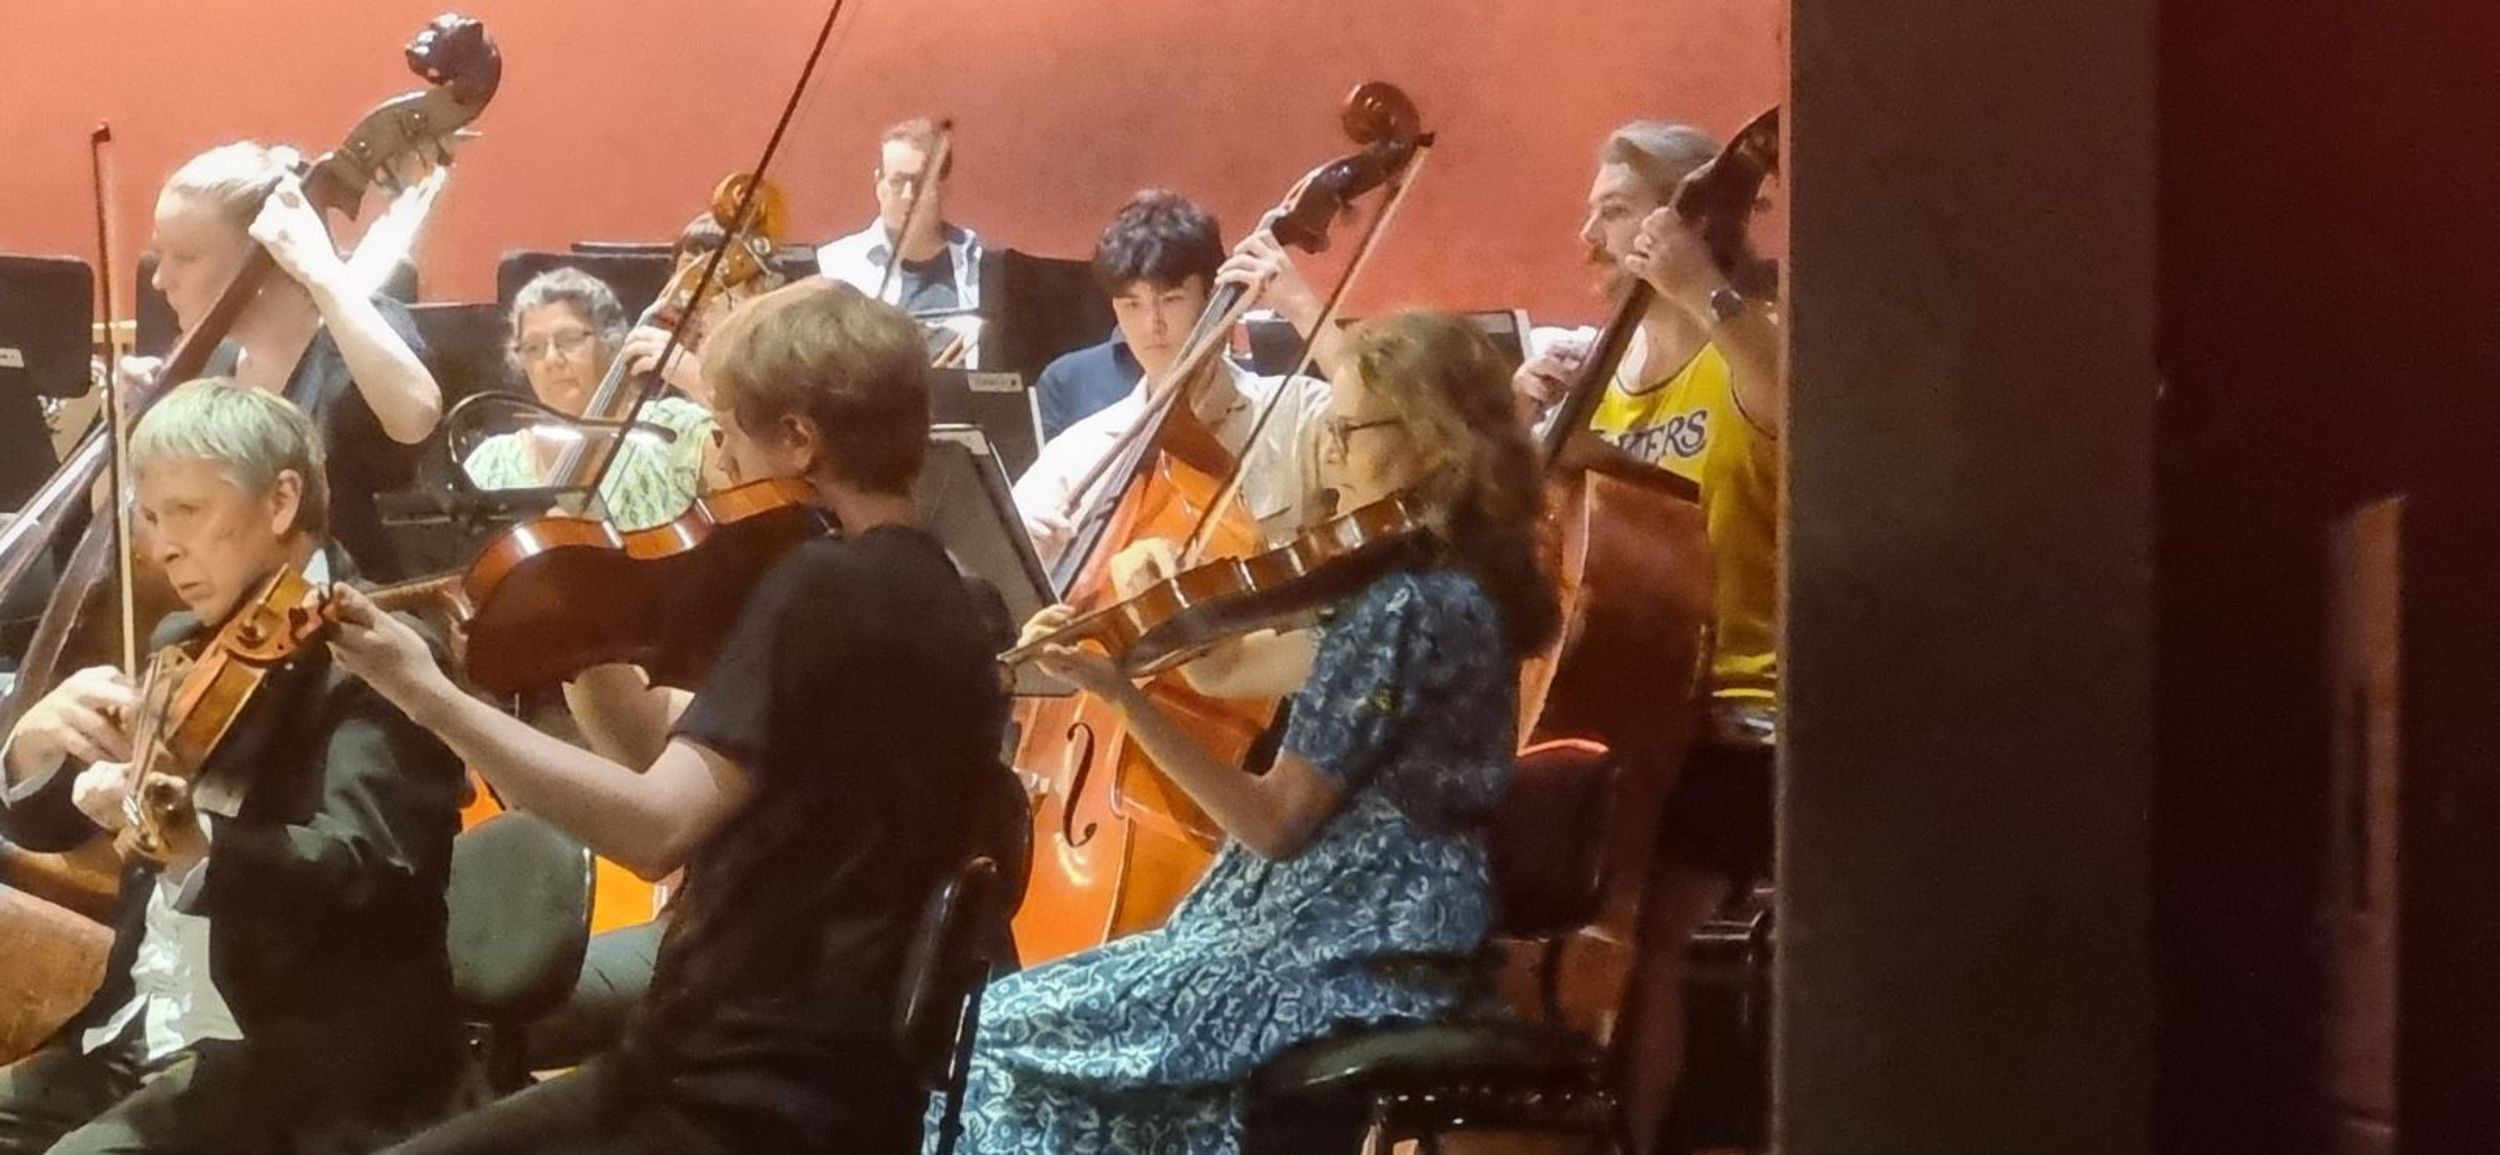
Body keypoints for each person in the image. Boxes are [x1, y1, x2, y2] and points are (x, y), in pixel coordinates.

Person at [330, 278, 1014, 1155]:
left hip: (733, 1090)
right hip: (837, 1087)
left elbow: (655, 828)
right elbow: (686, 759)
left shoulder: (820, 588)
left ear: (798, 440)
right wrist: (595, 644)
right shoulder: (943, 594)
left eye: (723, 437)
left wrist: (430, 695)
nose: (711, 469)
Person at [950, 311, 1559, 1155]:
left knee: (979, 1042)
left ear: (1433, 442)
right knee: (998, 1036)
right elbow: (1228, 669)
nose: (1329, 454)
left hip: (1342, 948)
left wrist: (1124, 697)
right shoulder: (1450, 591)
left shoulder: (1405, 607)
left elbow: (1273, 823)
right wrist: (1136, 623)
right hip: (1380, 935)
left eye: (1349, 430)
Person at [0, 381, 466, 1154]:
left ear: (281, 501)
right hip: (132, 1036)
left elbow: (373, 868)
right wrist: (32, 747)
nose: (161, 547)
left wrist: (198, 844)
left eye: (186, 511)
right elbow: (47, 827)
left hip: (290, 1057)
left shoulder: (383, 657)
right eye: (151, 519)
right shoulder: (183, 639)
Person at [1515, 120, 1783, 1150]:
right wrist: (1526, 436)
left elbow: (1798, 415)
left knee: (1650, 934)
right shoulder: (1609, 373)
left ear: (1686, 219)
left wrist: (1701, 288)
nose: (1589, 236)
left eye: (1615, 211)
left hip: (1739, 712)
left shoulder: (1755, 337)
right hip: (1623, 707)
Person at [145, 141, 446, 580]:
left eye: (186, 257)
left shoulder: (359, 338)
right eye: (161, 255)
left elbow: (417, 415)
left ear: (264, 257)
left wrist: (321, 271)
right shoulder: (206, 367)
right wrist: (138, 427)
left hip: (355, 611)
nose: (159, 279)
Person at [1011, 190, 1333, 570]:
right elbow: (1000, 575)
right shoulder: (1077, 452)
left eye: (1171, 299)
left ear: (1213, 297)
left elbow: (1387, 419)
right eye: (1132, 304)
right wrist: (1025, 553)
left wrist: (1302, 306)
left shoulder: (1296, 411)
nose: (1152, 326)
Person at [460, 267, 714, 531]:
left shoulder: (673, 428)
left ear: (610, 341)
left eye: (569, 340)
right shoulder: (493, 462)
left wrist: (699, 382)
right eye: (533, 347)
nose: (551, 359)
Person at [817, 117, 987, 364]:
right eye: (897, 182)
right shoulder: (834, 266)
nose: (908, 196)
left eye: (920, 183)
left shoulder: (982, 263)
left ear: (943, 189)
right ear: (879, 185)